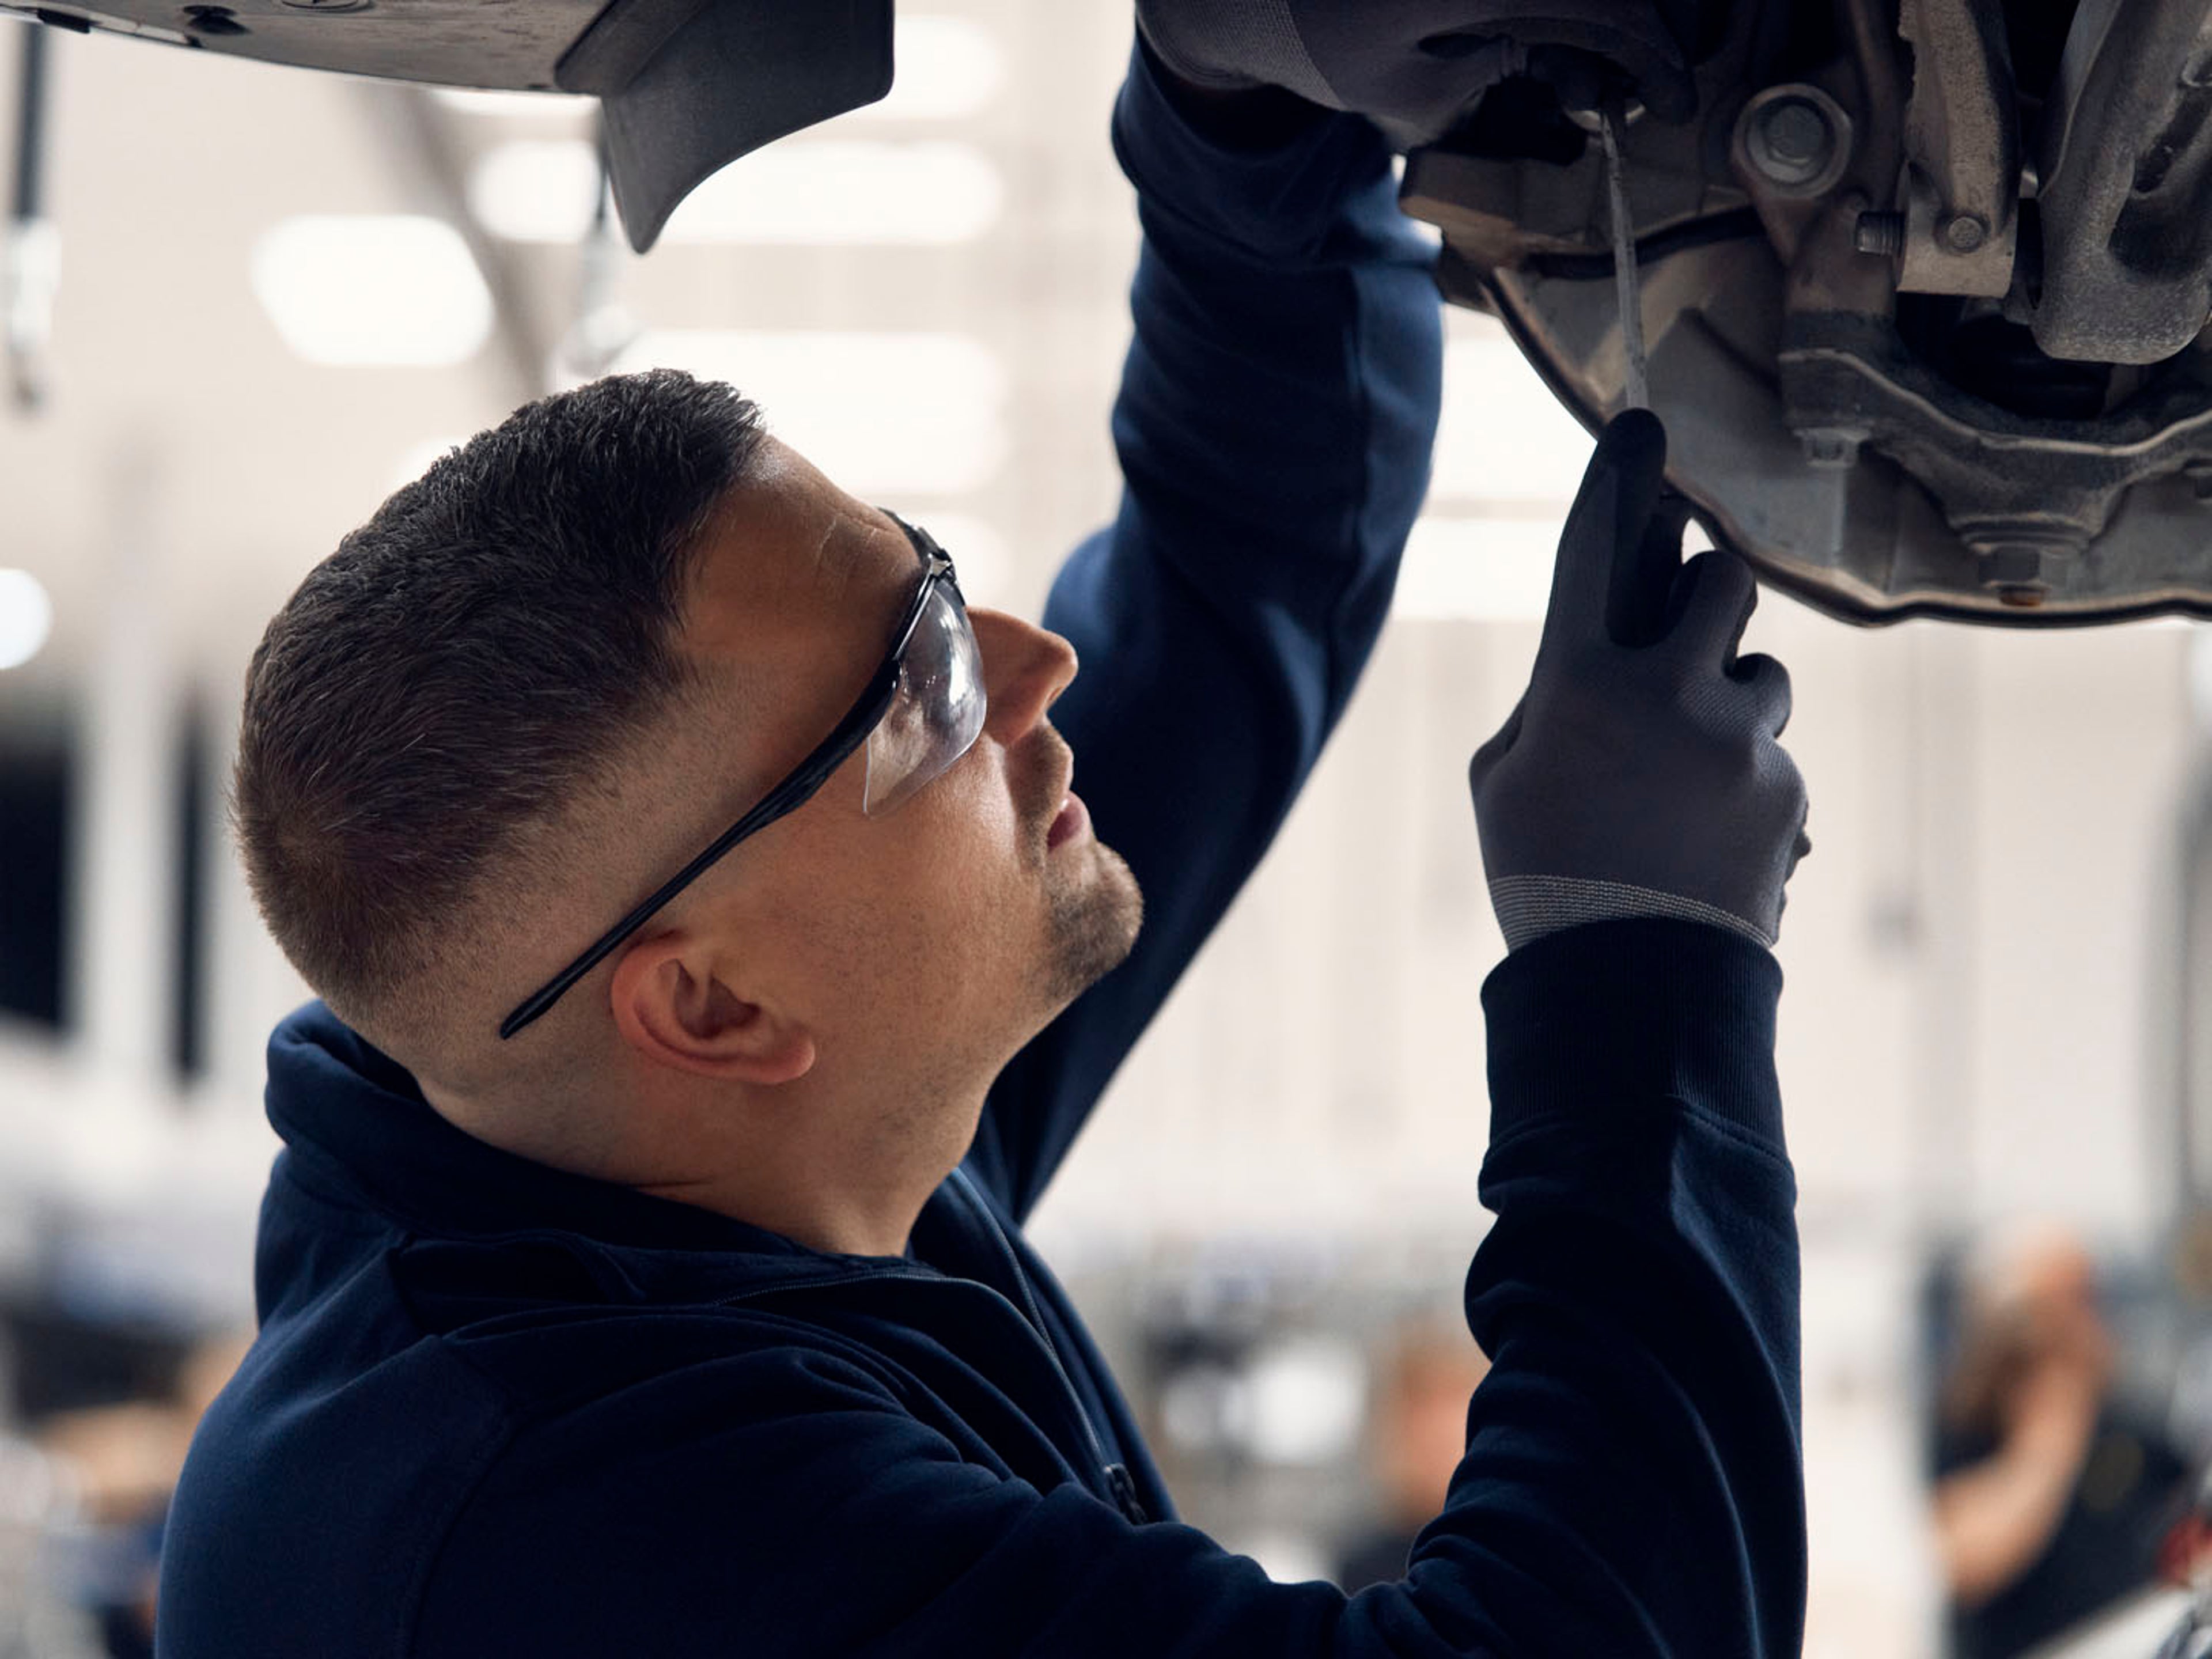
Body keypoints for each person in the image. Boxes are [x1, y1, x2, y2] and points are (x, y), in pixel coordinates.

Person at [158, 30, 1811, 1659]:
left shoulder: (731, 1137)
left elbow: (1229, 574)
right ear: (714, 1007)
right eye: (921, 695)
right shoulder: (587, 1533)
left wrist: (1241, 116)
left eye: (933, 586)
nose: (1035, 667)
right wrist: (1639, 974)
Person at [1930, 1227, 2194, 1658]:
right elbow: (1962, 1562)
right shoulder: (1966, 1433)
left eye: (2086, 1300)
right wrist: (2051, 1432)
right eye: (2051, 1307)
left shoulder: (2132, 1432)